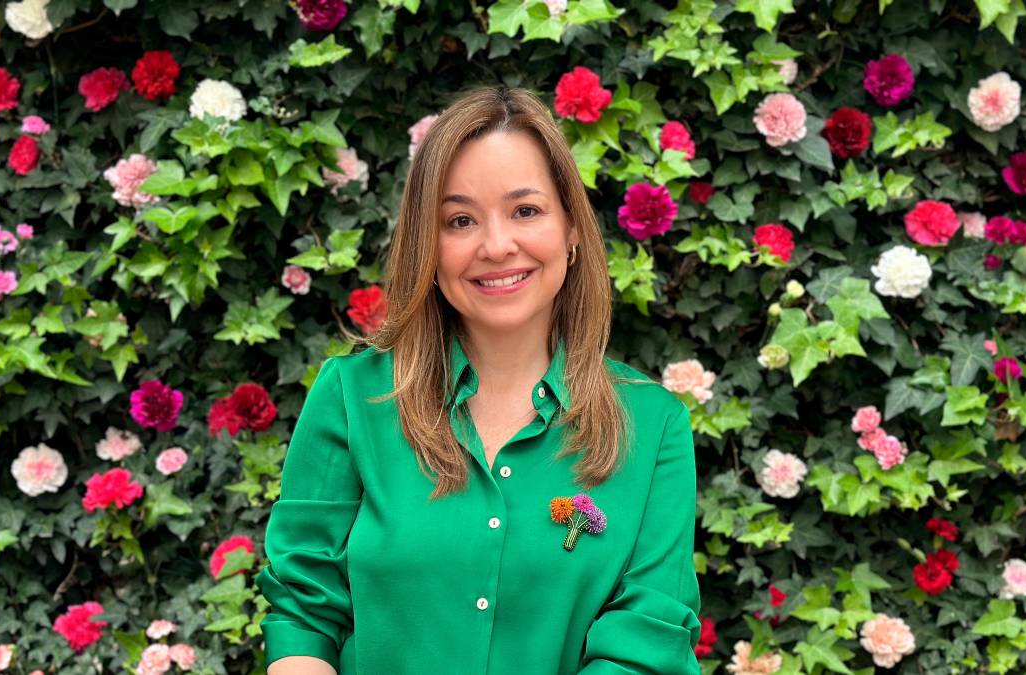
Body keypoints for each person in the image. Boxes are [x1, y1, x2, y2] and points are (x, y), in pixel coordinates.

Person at [255, 85, 701, 675]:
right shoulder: (351, 396)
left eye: (525, 211)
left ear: (571, 228)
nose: (496, 246)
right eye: (460, 220)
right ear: (428, 244)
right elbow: (304, 613)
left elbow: (645, 643)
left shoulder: (654, 427)